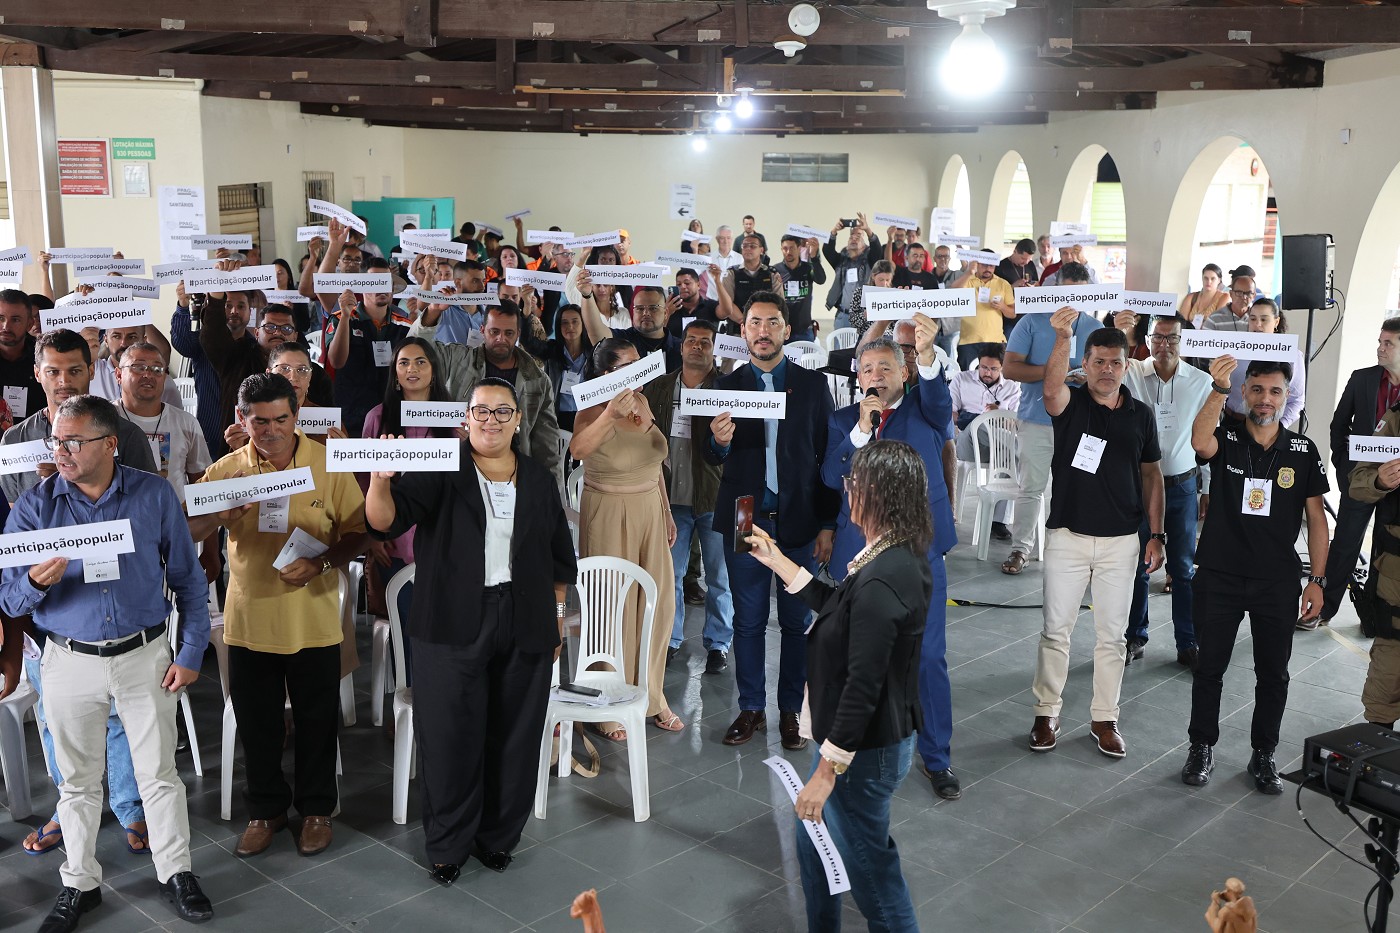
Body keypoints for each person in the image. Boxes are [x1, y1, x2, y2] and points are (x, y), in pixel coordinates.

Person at [0, 395, 214, 930]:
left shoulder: (153, 495)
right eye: (56, 441)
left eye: (74, 441)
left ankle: (176, 872)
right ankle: (79, 882)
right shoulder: (34, 509)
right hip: (68, 661)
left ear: (110, 444)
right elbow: (8, 599)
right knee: (76, 782)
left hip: (145, 655)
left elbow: (188, 580)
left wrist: (191, 652)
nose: (61, 451)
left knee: (159, 774)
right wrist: (33, 583)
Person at [365, 376, 575, 884]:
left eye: (503, 412)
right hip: (451, 621)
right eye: (481, 410)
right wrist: (380, 480)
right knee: (450, 736)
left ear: (518, 420)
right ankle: (449, 845)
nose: (491, 421)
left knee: (515, 735)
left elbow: (558, 558)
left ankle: (498, 836)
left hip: (523, 619)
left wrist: (554, 619)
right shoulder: (442, 466)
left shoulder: (538, 478)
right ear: (466, 418)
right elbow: (385, 521)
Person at [747, 439, 932, 933]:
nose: (847, 490)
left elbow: (863, 685)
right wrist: (778, 560)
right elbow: (841, 606)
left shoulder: (884, 578)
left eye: (854, 483)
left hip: (859, 754)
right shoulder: (892, 556)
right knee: (812, 844)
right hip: (850, 746)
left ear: (877, 494)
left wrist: (826, 773)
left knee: (874, 879)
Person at [187, 373, 370, 858]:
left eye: (281, 420)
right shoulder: (227, 470)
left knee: (317, 720)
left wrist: (321, 563)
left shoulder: (327, 464)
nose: (271, 431)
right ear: (242, 419)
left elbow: (360, 532)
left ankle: (316, 810)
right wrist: (219, 515)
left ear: (297, 415)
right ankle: (265, 811)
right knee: (258, 723)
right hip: (249, 620)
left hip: (313, 618)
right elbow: (187, 530)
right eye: (260, 421)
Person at [822, 322, 960, 801]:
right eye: (867, 369)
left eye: (885, 367)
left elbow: (939, 398)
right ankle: (850, 749)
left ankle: (937, 757)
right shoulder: (844, 421)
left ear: (904, 372)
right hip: (860, 556)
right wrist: (861, 431)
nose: (875, 375)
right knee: (857, 656)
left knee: (928, 657)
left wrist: (928, 352)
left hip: (921, 551)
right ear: (857, 378)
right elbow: (831, 474)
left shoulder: (926, 408)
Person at [1179, 356, 1328, 794]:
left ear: (1287, 397)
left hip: (1276, 581)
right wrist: (1219, 388)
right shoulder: (1226, 436)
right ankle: (1201, 747)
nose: (1266, 399)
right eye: (1258, 389)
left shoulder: (1302, 451)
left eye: (1275, 391)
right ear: (1244, 392)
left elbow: (1317, 520)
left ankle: (1264, 753)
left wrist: (1317, 580)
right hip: (1220, 575)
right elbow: (1198, 440)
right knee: (1209, 669)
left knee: (1273, 675)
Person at [703, 292, 838, 749]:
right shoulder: (726, 386)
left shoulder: (812, 385)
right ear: (743, 331)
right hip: (745, 516)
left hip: (800, 519)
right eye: (755, 323)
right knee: (748, 620)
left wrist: (828, 523)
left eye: (772, 323)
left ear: (787, 330)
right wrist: (719, 443)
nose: (763, 331)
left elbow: (826, 459)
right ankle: (751, 708)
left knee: (797, 622)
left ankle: (790, 712)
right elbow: (710, 455)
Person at [1028, 318, 1164, 759]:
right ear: (1084, 365)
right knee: (1055, 632)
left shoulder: (1141, 415)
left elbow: (1152, 475)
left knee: (1113, 637)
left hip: (1121, 543)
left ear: (1127, 366)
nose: (1108, 370)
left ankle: (1105, 718)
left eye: (1115, 363)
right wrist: (1062, 338)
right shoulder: (1072, 403)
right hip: (1067, 536)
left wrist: (1156, 534)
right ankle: (1046, 712)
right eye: (1099, 362)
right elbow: (1051, 391)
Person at [569, 338, 684, 736]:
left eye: (640, 362)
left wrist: (666, 511)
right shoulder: (591, 409)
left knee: (659, 603)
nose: (639, 370)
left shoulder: (643, 401)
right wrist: (609, 415)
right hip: (609, 513)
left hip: (649, 509)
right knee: (610, 607)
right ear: (606, 374)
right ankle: (607, 700)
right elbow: (577, 450)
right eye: (628, 365)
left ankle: (652, 694)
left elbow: (655, 463)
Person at [1121, 315, 1214, 668]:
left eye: (1171, 338)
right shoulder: (1131, 371)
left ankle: (1188, 642)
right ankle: (1135, 636)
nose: (1164, 345)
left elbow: (1207, 437)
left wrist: (1207, 487)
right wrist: (1122, 332)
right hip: (1139, 486)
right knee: (1138, 565)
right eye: (1157, 337)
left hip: (1183, 485)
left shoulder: (1202, 382)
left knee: (1183, 568)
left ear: (1183, 340)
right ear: (1147, 339)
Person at [640, 319, 732, 675]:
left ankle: (719, 643)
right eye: (691, 340)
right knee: (671, 575)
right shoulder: (659, 387)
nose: (697, 346)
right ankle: (671, 639)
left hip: (714, 497)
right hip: (669, 499)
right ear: (681, 347)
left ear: (714, 349)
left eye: (705, 342)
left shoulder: (726, 389)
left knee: (719, 577)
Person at [999, 262, 1103, 575]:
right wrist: (1056, 372)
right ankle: (1020, 549)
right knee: (1031, 488)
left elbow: (1107, 372)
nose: (1072, 302)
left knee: (1078, 487)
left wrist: (1088, 377)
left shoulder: (1094, 327)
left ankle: (1075, 552)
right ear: (1055, 290)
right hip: (1036, 419)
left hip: (1082, 423)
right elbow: (1010, 368)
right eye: (1067, 293)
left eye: (1080, 295)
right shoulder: (1033, 320)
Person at [1, 328, 158, 504]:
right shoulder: (15, 440)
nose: (64, 381)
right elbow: (14, 511)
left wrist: (82, 482)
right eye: (53, 372)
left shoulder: (127, 435)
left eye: (74, 371)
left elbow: (148, 505)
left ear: (91, 371)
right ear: (37, 373)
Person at [411, 298, 562, 478]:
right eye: (494, 331)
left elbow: (547, 444)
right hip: (462, 468)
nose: (501, 339)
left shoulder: (538, 380)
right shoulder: (459, 359)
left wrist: (553, 490)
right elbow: (414, 351)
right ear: (482, 330)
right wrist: (433, 312)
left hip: (515, 473)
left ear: (518, 334)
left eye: (509, 333)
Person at [1320, 318, 1400, 629]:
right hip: (1361, 480)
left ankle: (1374, 616)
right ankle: (1324, 609)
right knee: (1345, 543)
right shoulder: (1362, 379)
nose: (1380, 348)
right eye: (1380, 342)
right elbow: (1339, 426)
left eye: (1388, 343)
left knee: (1386, 547)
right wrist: (1344, 467)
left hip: (1397, 486)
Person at [1348, 407, 1400, 727]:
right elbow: (1358, 482)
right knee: (1387, 679)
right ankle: (1377, 746)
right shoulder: (1396, 419)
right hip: (1396, 579)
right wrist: (1379, 480)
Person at [114, 342, 212, 499]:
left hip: (173, 512)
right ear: (118, 375)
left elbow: (201, 483)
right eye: (139, 367)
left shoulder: (186, 423)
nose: (148, 375)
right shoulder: (103, 420)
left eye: (157, 369)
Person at [949, 344, 1022, 532]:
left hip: (998, 445)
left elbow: (1015, 423)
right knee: (982, 424)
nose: (987, 372)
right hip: (967, 443)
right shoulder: (962, 379)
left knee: (1010, 453)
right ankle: (1022, 449)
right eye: (983, 367)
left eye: (993, 369)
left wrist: (999, 413)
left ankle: (998, 522)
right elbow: (951, 415)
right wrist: (982, 418)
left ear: (1002, 368)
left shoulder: (1012, 387)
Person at [1221, 299, 1305, 428]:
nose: (1258, 324)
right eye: (1253, 319)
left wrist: (1280, 427)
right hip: (1231, 421)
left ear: (1276, 322)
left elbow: (1296, 400)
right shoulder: (1236, 348)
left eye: (1264, 319)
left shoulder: (1291, 354)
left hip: (1269, 426)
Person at [951, 249, 1015, 371]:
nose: (988, 268)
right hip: (969, 340)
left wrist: (1002, 307)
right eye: (984, 265)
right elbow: (953, 292)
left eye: (991, 265)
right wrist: (969, 272)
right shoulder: (968, 280)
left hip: (996, 340)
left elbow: (1012, 314)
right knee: (966, 377)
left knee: (996, 377)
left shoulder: (1003, 284)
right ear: (977, 264)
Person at [541, 303, 593, 435]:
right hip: (558, 417)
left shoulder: (594, 353)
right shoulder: (552, 350)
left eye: (575, 321)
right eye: (564, 323)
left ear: (583, 323)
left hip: (586, 415)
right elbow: (530, 344)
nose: (570, 327)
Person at [823, 215, 881, 332]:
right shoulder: (841, 260)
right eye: (851, 237)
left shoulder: (870, 259)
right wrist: (834, 231)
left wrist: (867, 230)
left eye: (858, 236)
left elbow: (877, 249)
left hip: (863, 315)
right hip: (843, 316)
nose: (854, 239)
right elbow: (827, 250)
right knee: (840, 344)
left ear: (864, 244)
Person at [772, 235, 826, 343]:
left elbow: (821, 280)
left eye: (792, 248)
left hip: (804, 330)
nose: (788, 252)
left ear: (799, 248)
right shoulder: (775, 270)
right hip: (782, 329)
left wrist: (814, 257)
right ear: (781, 249)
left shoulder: (808, 268)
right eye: (785, 248)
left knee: (806, 355)